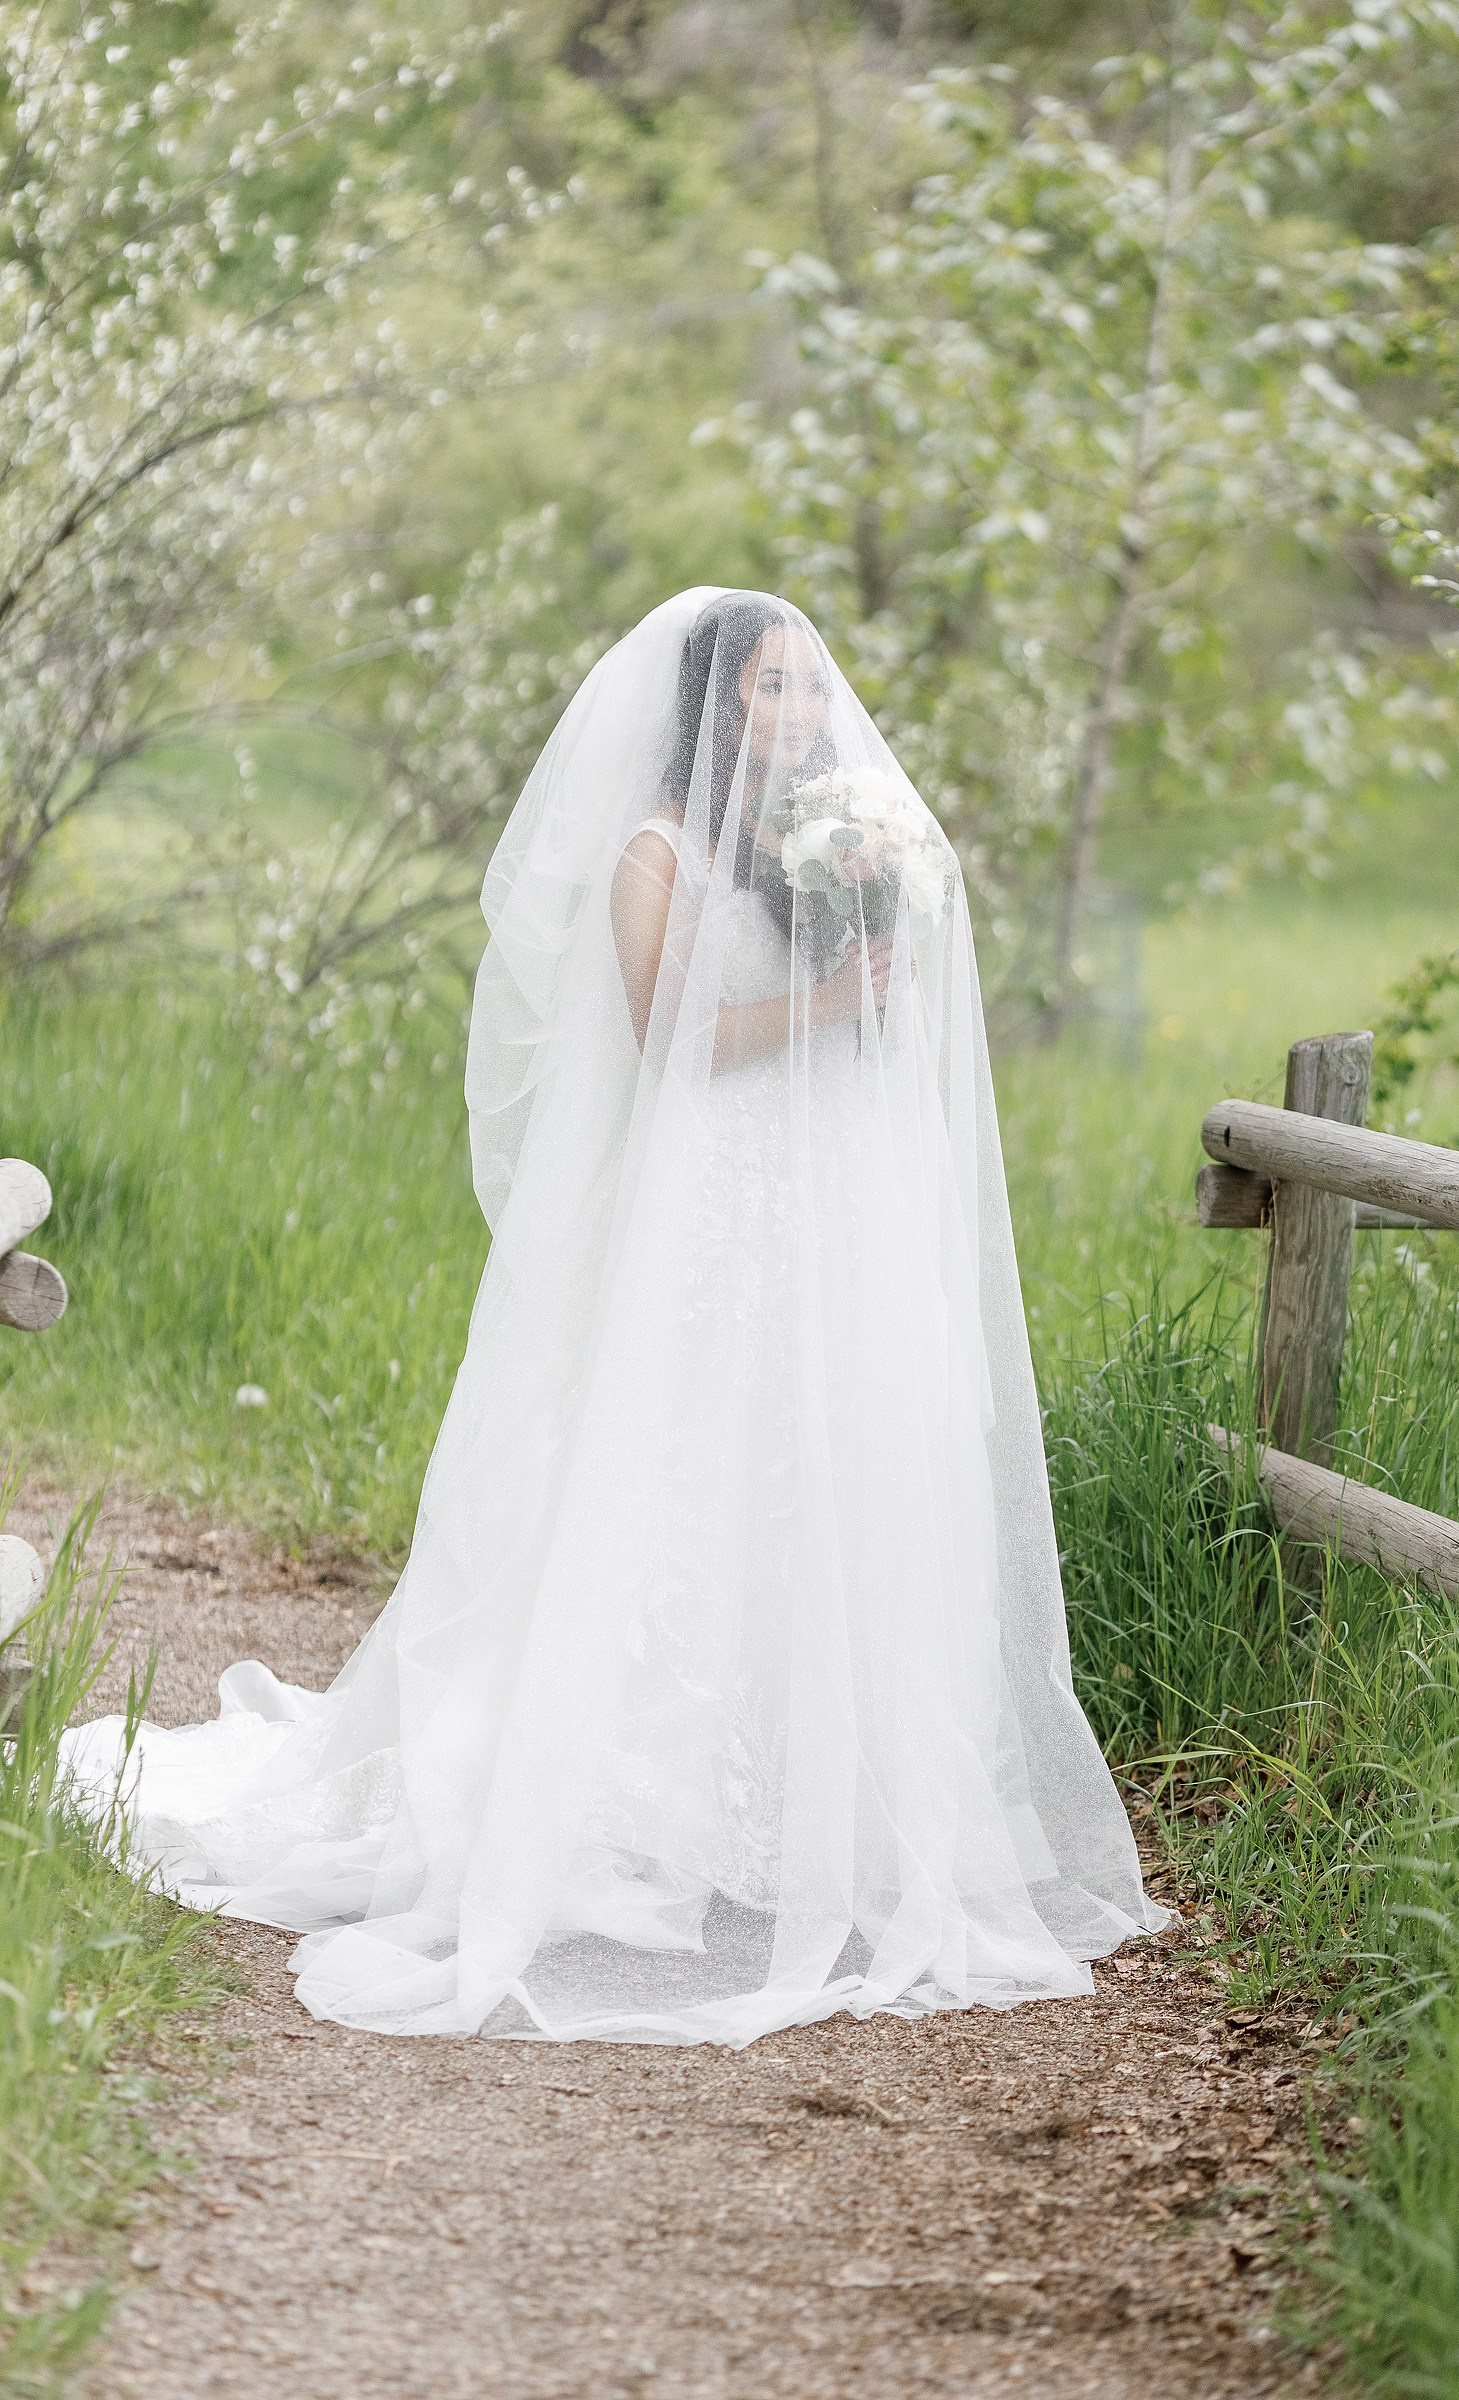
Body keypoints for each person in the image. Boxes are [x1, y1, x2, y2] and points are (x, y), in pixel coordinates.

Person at [62, 588, 1165, 2043]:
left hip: (823, 1205)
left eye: (809, 688)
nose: (800, 714)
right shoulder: (658, 851)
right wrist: (837, 999)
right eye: (769, 690)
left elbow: (880, 1019)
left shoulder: (828, 838)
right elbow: (673, 1046)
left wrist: (877, 955)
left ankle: (807, 1807)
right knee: (682, 1473)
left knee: (822, 1471)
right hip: (707, 1213)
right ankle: (644, 1808)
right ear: (715, 706)